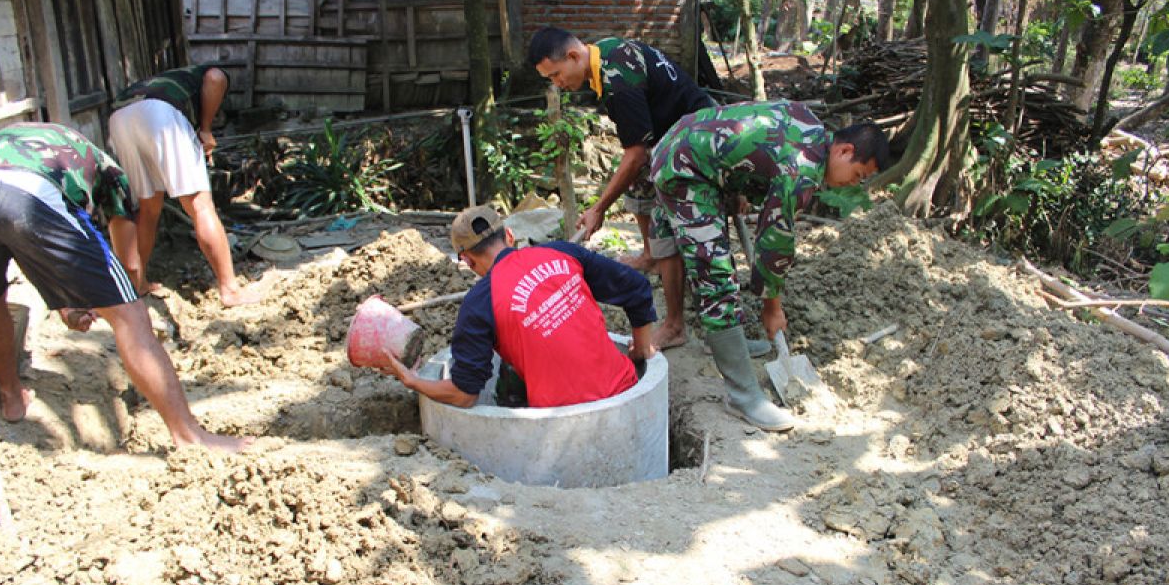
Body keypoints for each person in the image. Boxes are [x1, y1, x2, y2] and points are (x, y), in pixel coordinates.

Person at [0, 122, 252, 452]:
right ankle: (190, 436)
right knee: (131, 315)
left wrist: (69, 302)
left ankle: (11, 397)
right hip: (31, 195)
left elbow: (27, 243)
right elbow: (128, 263)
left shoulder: (3, 142)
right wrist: (117, 297)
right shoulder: (106, 169)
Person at [649, 100, 890, 432]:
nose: (854, 185)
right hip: (685, 169)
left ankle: (724, 342)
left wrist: (737, 182)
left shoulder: (810, 127)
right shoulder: (803, 169)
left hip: (683, 143)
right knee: (715, 272)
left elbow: (755, 143)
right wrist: (772, 307)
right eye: (858, 175)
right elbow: (774, 242)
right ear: (845, 151)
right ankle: (743, 396)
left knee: (712, 255)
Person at [527, 27, 715, 351]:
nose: (557, 84)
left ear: (574, 56)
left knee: (663, 226)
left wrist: (598, 208)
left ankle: (674, 325)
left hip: (698, 140)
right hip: (669, 132)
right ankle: (649, 256)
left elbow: (637, 153)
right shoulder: (605, 52)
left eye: (556, 74)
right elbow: (637, 146)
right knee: (637, 184)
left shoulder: (617, 82)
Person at [373, 205, 657, 408]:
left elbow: (464, 394)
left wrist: (413, 381)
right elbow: (637, 288)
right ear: (509, 235)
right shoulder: (561, 251)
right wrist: (642, 348)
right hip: (625, 390)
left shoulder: (479, 304)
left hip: (559, 418)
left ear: (467, 261)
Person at [108, 63, 263, 306]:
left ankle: (137, 284)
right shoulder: (208, 72)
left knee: (148, 208)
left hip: (119, 118)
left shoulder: (170, 80)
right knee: (200, 206)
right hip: (161, 115)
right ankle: (230, 290)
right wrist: (206, 130)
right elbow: (215, 78)